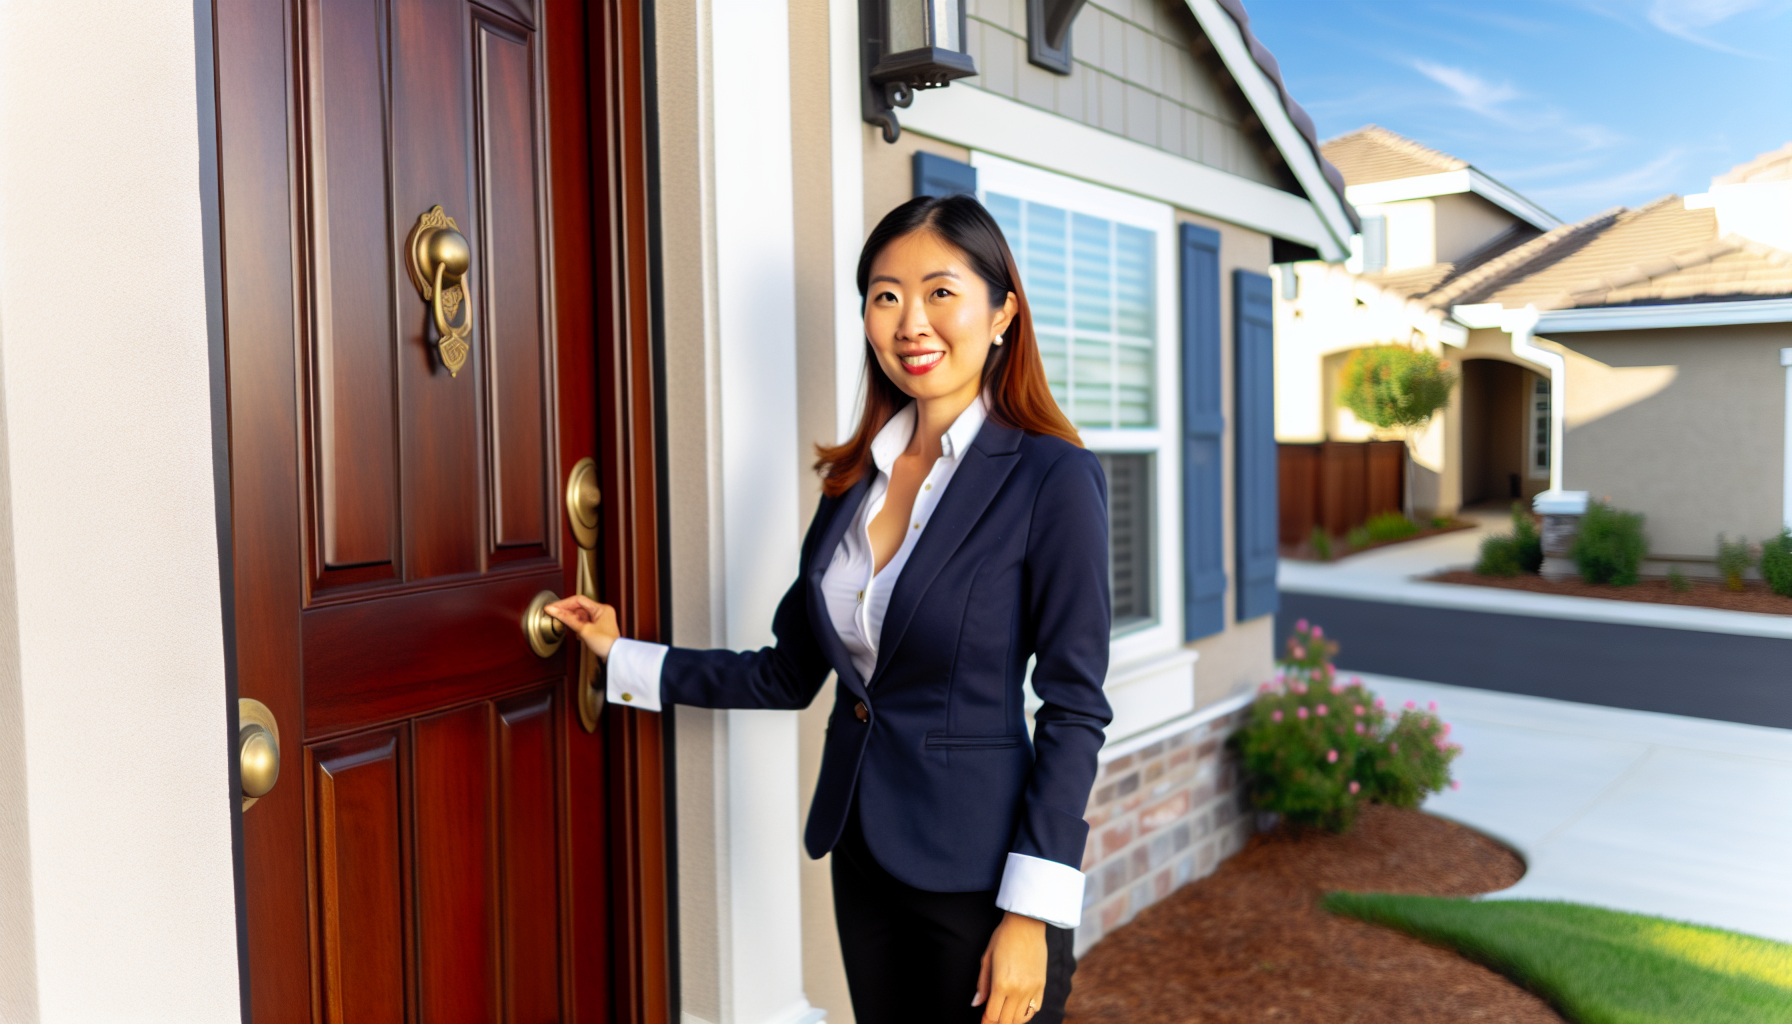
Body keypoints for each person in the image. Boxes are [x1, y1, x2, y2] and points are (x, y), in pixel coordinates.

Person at [546, 193, 1111, 1024]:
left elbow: (1073, 707)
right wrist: (622, 657)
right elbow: (787, 671)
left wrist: (1032, 911)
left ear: (1003, 314)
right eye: (885, 296)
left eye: (940, 292)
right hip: (864, 857)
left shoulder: (1052, 478)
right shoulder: (854, 484)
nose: (910, 321)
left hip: (983, 875)